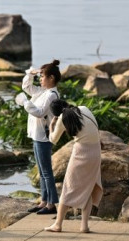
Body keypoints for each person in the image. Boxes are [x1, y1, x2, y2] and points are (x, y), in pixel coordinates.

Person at [43, 100, 102, 234]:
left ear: (56, 114)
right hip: (96, 152)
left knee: (68, 187)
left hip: (81, 153)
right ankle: (84, 226)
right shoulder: (83, 108)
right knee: (89, 187)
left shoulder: (62, 119)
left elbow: (53, 140)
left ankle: (58, 224)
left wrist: (52, 125)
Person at [15, 60, 61, 215]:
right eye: (40, 77)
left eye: (42, 77)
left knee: (47, 172)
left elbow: (40, 112)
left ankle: (51, 204)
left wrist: (26, 103)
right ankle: (43, 201)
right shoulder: (42, 92)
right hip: (36, 135)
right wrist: (30, 73)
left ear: (52, 78)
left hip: (44, 137)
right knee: (42, 172)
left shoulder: (52, 95)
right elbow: (26, 87)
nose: (40, 79)